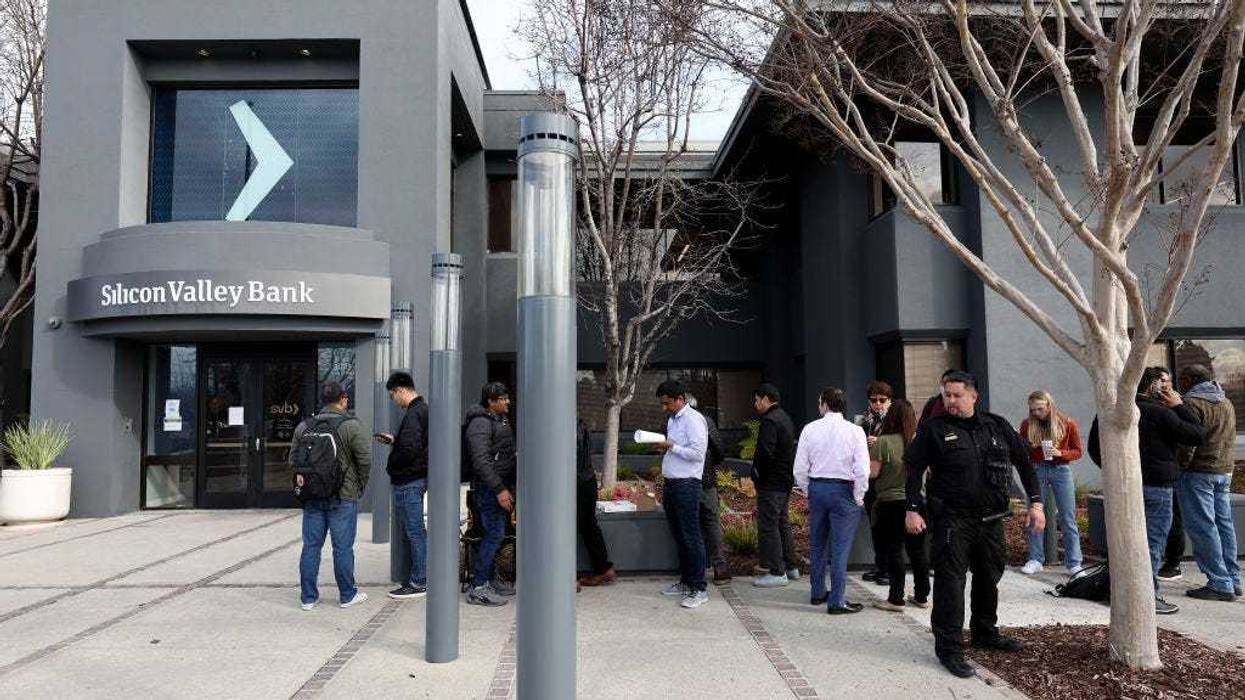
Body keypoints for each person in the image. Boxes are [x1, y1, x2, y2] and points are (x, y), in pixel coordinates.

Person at [904, 371, 1044, 679]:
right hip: (954, 520)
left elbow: (1024, 462)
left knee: (988, 577)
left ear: (973, 396)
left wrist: (1036, 503)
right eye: (946, 395)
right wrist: (913, 508)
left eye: (956, 395)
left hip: (992, 520)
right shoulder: (933, 430)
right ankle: (950, 649)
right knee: (951, 584)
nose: (950, 401)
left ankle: (985, 632)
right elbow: (913, 469)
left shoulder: (996, 426)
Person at [1088, 366, 1204, 615]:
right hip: (1158, 487)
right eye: (1161, 384)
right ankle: (1147, 597)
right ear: (1151, 386)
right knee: (1151, 543)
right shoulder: (1161, 412)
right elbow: (1196, 434)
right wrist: (1178, 405)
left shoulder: (1111, 411)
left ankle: (1120, 593)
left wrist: (1114, 472)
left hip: (1124, 486)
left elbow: (1094, 447)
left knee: (1124, 542)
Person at [295, 382, 372, 611]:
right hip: (343, 496)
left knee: (311, 546)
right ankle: (347, 595)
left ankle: (308, 598)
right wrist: (359, 486)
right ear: (344, 399)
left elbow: (292, 460)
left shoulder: (304, 427)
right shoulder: (351, 426)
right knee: (342, 548)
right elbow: (365, 460)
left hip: (312, 497)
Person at [793, 386, 870, 614]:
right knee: (840, 548)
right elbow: (862, 470)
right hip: (843, 490)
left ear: (824, 404)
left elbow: (799, 469)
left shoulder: (810, 429)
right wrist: (858, 495)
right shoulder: (855, 431)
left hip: (818, 487)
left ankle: (817, 592)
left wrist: (809, 490)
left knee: (817, 544)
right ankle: (836, 601)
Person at [1175, 364, 1241, 601]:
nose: (1179, 383)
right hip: (1224, 471)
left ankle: (1219, 583)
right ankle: (1233, 579)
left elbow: (1188, 443)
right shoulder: (1226, 402)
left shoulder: (1192, 404)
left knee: (1203, 527)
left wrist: (1179, 468)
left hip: (1198, 473)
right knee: (1224, 525)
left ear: (1192, 380)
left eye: (1182, 378)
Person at [868, 399, 930, 611]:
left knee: (894, 549)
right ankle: (922, 596)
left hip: (890, 502)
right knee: (918, 551)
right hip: (917, 502)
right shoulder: (920, 441)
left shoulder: (883, 442)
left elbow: (873, 473)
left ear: (891, 417)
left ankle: (896, 598)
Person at [654, 380, 711, 609]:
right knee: (679, 536)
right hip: (672, 484)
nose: (664, 408)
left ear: (679, 399)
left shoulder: (693, 420)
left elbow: (698, 454)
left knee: (691, 536)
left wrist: (671, 447)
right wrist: (665, 446)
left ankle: (699, 588)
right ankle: (686, 582)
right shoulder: (673, 419)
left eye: (667, 403)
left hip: (687, 484)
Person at [1018, 391, 1084, 575]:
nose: (1037, 413)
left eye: (1040, 409)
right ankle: (1035, 559)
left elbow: (1078, 451)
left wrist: (1060, 453)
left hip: (1060, 469)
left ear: (1049, 405)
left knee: (1067, 517)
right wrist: (1030, 447)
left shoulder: (1067, 423)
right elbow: (1021, 451)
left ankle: (1074, 563)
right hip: (1037, 468)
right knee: (1035, 514)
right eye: (1033, 410)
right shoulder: (1027, 424)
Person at [463, 381, 517, 607]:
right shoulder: (480, 424)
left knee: (496, 534)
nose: (507, 402)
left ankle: (489, 579)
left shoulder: (499, 419)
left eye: (507, 397)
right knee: (492, 534)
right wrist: (500, 490)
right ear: (490, 402)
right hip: (489, 489)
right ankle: (479, 586)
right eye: (502, 399)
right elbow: (481, 462)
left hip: (499, 486)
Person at [378, 371, 430, 600]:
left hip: (409, 480)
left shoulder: (414, 413)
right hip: (415, 478)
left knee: (414, 532)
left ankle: (419, 581)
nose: (393, 401)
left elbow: (410, 449)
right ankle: (419, 578)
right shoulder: (422, 410)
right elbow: (416, 444)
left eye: (392, 396)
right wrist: (395, 440)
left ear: (400, 390)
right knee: (415, 531)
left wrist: (392, 465)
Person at [751, 383, 799, 588]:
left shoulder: (770, 420)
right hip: (785, 480)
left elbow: (765, 453)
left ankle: (777, 571)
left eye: (756, 400)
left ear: (765, 399)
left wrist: (757, 474)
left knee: (769, 525)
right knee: (782, 522)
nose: (755, 404)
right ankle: (791, 567)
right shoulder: (786, 418)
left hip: (771, 483)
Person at [689, 394, 732, 586]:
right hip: (708, 480)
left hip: (688, 482)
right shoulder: (707, 422)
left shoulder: (676, 423)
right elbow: (720, 451)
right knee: (712, 523)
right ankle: (720, 567)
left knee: (693, 524)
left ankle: (697, 568)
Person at [857, 381, 893, 586]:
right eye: (874, 400)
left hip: (888, 478)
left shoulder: (895, 420)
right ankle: (880, 565)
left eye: (882, 400)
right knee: (875, 524)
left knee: (887, 525)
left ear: (889, 401)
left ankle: (888, 569)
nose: (878, 404)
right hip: (871, 477)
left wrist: (879, 442)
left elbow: (902, 444)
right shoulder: (865, 421)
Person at [577, 418, 616, 588]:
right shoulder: (580, 423)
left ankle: (565, 576)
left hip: (574, 482)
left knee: (566, 528)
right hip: (587, 479)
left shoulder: (564, 425)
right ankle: (603, 568)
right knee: (589, 525)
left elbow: (573, 454)